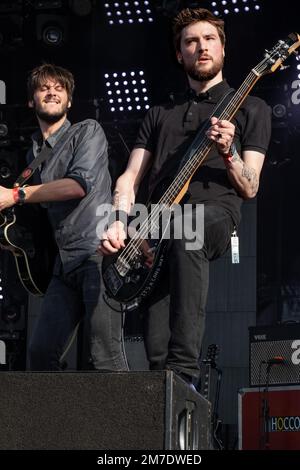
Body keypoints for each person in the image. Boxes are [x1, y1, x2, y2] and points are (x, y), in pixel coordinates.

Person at [99, 8, 271, 386]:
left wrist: (229, 152)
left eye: (210, 39)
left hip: (213, 215)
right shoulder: (160, 112)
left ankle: (185, 371)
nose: (201, 47)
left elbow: (250, 186)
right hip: (157, 224)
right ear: (180, 54)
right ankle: (166, 385)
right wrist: (118, 222)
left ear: (223, 48)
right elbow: (130, 177)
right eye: (191, 42)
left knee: (186, 228)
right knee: (155, 344)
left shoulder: (252, 110)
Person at [0, 63, 128, 371]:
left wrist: (15, 195)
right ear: (32, 100)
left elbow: (77, 186)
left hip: (98, 254)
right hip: (63, 265)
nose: (52, 92)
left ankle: (125, 419)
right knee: (41, 354)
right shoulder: (33, 154)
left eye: (60, 88)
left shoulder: (87, 131)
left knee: (104, 355)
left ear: (69, 101)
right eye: (44, 88)